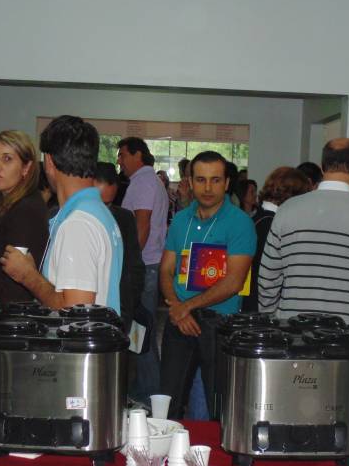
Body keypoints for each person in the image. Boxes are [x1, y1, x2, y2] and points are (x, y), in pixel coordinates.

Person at [258, 138, 349, 343]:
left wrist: (270, 319)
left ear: (322, 167)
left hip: (295, 337)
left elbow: (267, 279)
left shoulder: (287, 211)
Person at [159, 150, 255, 419]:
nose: (208, 188)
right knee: (168, 400)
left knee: (219, 404)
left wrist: (186, 307)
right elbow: (166, 270)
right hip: (179, 319)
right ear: (190, 182)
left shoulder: (240, 223)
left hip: (218, 322)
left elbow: (234, 282)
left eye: (215, 180)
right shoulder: (180, 220)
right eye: (201, 180)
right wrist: (177, 308)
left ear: (226, 183)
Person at [1, 116, 122, 311]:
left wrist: (28, 276)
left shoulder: (78, 224)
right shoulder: (97, 211)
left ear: (49, 161)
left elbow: (76, 310)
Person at [117, 137, 169, 399]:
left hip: (144, 266)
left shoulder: (144, 181)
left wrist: (130, 264)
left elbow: (143, 224)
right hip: (147, 265)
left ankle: (149, 394)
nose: (119, 161)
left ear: (138, 155)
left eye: (123, 155)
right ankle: (144, 390)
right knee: (140, 331)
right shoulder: (148, 180)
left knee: (142, 332)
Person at [0, 130, 48, 306]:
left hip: (6, 314)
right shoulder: (6, 203)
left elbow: (16, 285)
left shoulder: (26, 210)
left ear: (26, 168)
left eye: (7, 159)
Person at [242, 167, 310, 312]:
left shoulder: (255, 218)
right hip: (261, 309)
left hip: (248, 304)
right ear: (293, 197)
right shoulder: (275, 225)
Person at [95, 161, 145, 330]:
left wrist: (129, 306)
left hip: (119, 312)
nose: (104, 211)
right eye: (99, 204)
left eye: (108, 204)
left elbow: (135, 266)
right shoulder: (73, 220)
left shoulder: (124, 219)